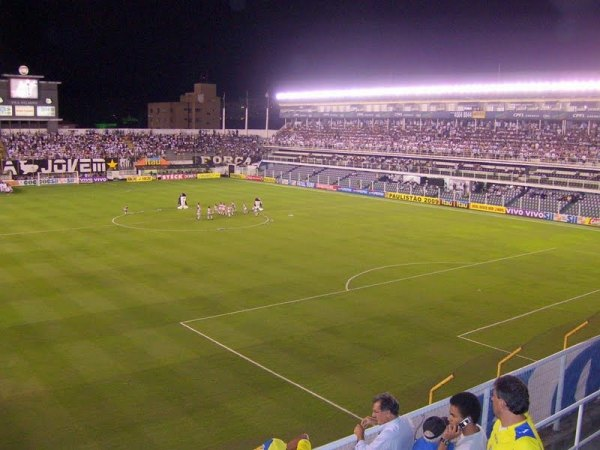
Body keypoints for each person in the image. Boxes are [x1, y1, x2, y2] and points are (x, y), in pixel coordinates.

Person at [487, 375, 543, 450]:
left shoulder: (524, 445)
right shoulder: (499, 424)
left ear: (502, 403)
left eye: (494, 396)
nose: (492, 399)